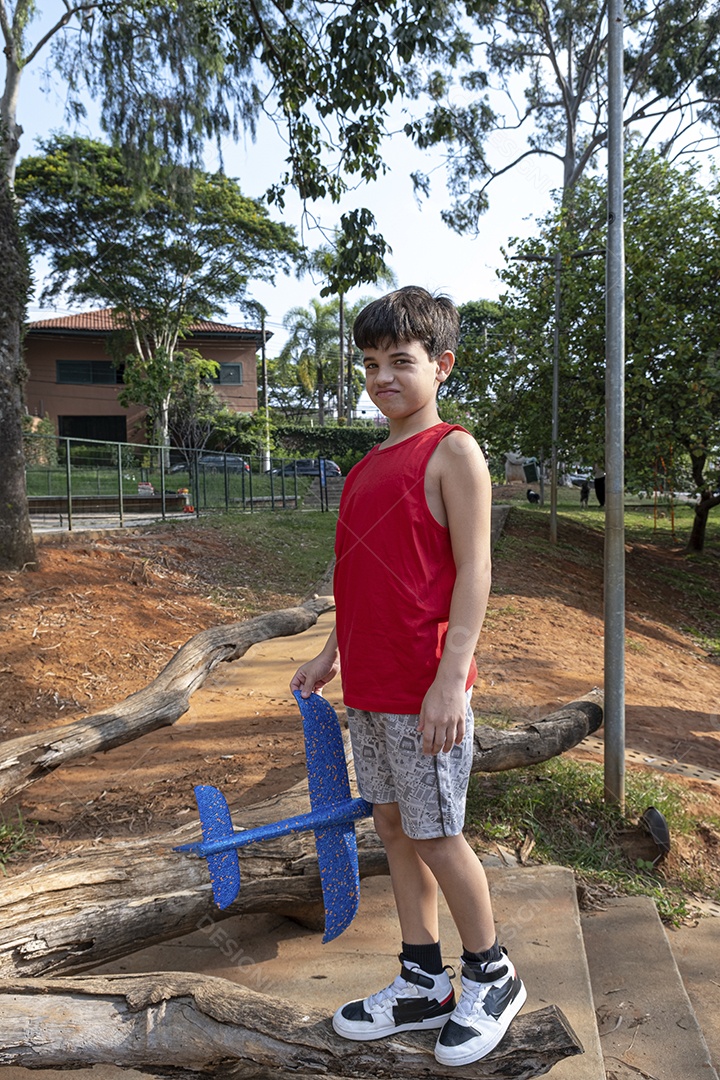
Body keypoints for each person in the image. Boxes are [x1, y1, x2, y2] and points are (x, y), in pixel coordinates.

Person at [290, 286, 526, 1066]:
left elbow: (476, 568)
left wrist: (453, 675)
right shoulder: (363, 469)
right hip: (371, 689)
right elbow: (356, 572)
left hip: (428, 690)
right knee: (393, 827)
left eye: (402, 361)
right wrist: (331, 652)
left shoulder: (453, 450)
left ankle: (491, 974)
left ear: (441, 365)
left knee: (436, 831)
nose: (383, 376)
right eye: (370, 363)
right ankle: (423, 977)